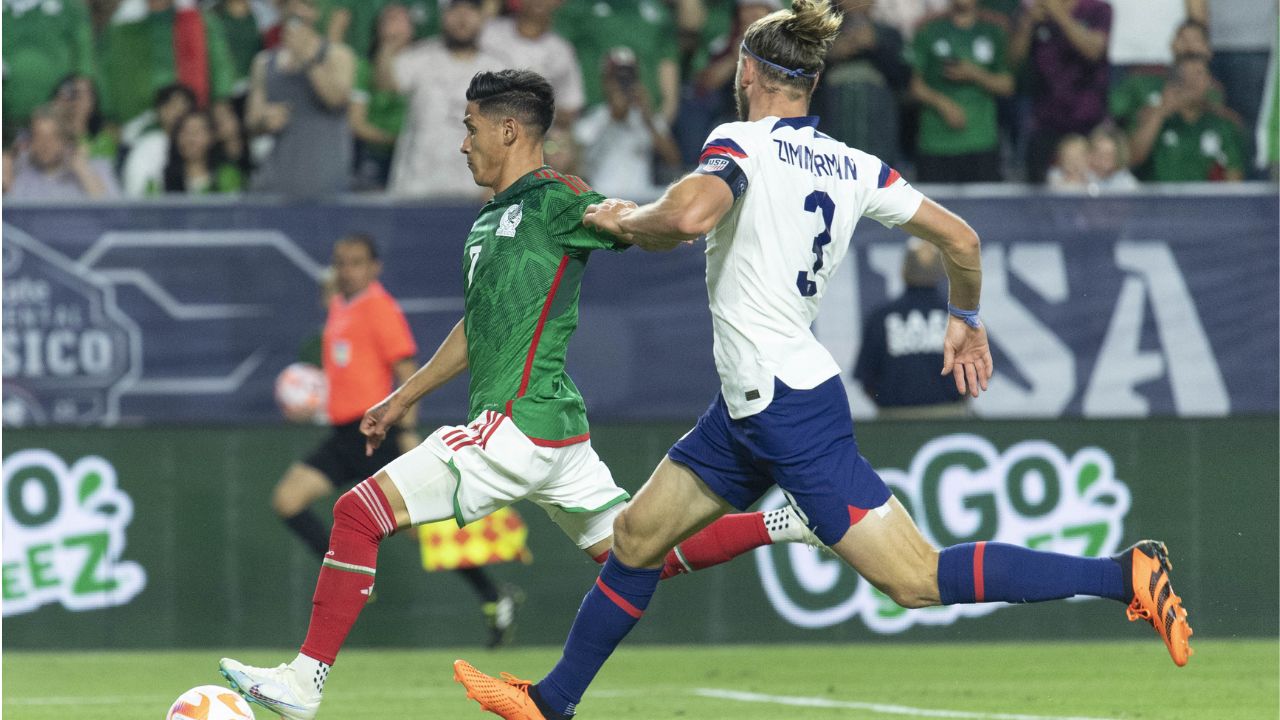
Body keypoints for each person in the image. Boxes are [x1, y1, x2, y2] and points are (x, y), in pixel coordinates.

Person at [453, 3, 1194, 717]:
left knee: (916, 579)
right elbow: (962, 241)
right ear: (809, 83)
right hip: (750, 406)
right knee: (635, 539)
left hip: (785, 406)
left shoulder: (740, 143)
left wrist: (624, 219)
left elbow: (685, 218)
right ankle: (552, 703)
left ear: (750, 72)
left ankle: (1122, 571)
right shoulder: (853, 165)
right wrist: (964, 318)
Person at [219, 69, 819, 720]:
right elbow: (478, 328)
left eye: (470, 128)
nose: (462, 144)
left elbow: (618, 218)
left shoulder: (555, 197)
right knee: (638, 549)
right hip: (557, 433)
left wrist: (657, 217)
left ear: (509, 130)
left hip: (516, 423)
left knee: (357, 515)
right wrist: (403, 397)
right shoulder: (489, 221)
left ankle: (305, 682)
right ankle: (786, 522)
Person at [386, 0, 505, 198]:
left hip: (475, 192)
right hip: (416, 188)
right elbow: (387, 86)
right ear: (443, 16)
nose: (462, 17)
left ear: (483, 17)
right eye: (455, 9)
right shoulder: (417, 57)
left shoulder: (500, 69)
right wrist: (389, 45)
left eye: (470, 10)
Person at [247, 0, 356, 197]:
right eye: (291, 4)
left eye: (305, 4)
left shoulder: (339, 55)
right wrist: (264, 120)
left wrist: (306, 56)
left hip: (325, 183)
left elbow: (336, 100)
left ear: (316, 13)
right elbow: (252, 121)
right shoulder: (263, 62)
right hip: (276, 183)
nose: (298, 10)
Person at [854, 240, 967, 418]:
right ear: (941, 271)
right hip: (950, 418)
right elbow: (977, 372)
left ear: (904, 270)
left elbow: (867, 379)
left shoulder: (881, 317)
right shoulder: (959, 318)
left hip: (895, 424)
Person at [908, 0, 1013, 183]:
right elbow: (915, 86)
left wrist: (974, 74)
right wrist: (944, 105)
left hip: (981, 140)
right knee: (937, 209)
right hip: (936, 143)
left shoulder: (994, 30)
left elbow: (1007, 85)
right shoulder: (929, 29)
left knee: (984, 209)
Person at [1010, 0, 1113, 183]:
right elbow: (1014, 62)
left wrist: (1058, 14)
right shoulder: (1030, 12)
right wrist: (1027, 25)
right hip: (1045, 123)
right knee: (1038, 198)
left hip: (1086, 122)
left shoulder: (1098, 9)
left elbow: (1094, 50)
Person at [574, 47, 683, 197]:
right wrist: (613, 117)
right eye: (617, 78)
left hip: (640, 201)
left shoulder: (647, 118)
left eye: (628, 77)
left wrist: (648, 119)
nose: (622, 83)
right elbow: (578, 166)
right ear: (606, 81)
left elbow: (673, 160)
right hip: (602, 200)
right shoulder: (592, 120)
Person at [1128, 54, 1246, 182]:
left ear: (1210, 82)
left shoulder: (1222, 125)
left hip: (1207, 201)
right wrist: (1160, 113)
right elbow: (1133, 158)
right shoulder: (1151, 118)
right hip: (1158, 200)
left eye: (1198, 74)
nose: (1191, 81)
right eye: (1184, 75)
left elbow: (1234, 179)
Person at [6, 105, 120, 200]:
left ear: (67, 141)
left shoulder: (99, 168)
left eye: (54, 137)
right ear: (30, 141)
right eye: (38, 137)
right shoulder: (18, 171)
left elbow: (118, 217)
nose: (45, 145)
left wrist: (83, 171)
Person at [162, 110, 245, 194]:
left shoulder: (228, 175)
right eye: (185, 132)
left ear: (212, 137)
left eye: (196, 132)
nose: (190, 139)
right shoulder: (163, 177)